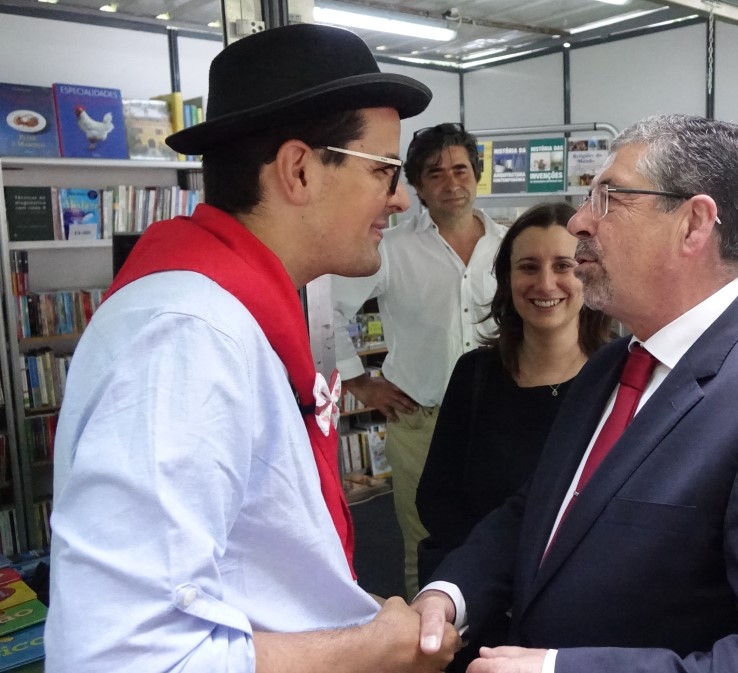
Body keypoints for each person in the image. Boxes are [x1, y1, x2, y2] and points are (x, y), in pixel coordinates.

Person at [45, 24, 459, 672]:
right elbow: (120, 658)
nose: (400, 198)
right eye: (384, 170)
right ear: (299, 170)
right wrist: (373, 647)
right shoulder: (187, 337)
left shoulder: (233, 313)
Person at [411, 113, 738, 673]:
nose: (581, 221)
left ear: (693, 224)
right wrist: (449, 595)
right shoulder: (611, 366)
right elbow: (539, 512)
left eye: (609, 198)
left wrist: (563, 670)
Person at [415, 202, 611, 668]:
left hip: (577, 629)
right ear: (506, 279)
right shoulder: (476, 374)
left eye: (563, 265)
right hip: (478, 619)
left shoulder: (617, 380)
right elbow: (438, 499)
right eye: (528, 267)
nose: (545, 283)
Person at [331, 122, 507, 597]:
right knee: (424, 539)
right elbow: (327, 312)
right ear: (417, 186)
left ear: (477, 174)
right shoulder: (391, 248)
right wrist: (358, 382)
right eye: (435, 173)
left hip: (500, 418)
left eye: (461, 170)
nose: (451, 183)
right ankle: (422, 631)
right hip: (421, 423)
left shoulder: (508, 246)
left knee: (499, 531)